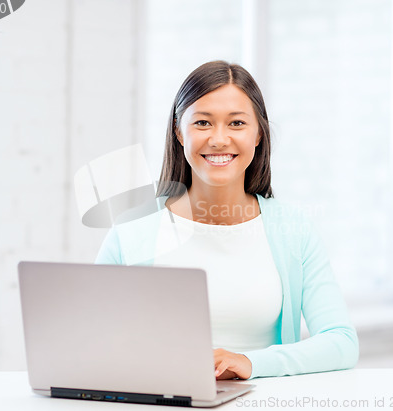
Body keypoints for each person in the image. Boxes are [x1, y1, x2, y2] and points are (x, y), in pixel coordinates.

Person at [95, 60, 359, 379]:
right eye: (203, 123)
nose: (219, 139)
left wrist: (251, 363)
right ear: (179, 131)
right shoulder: (132, 229)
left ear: (259, 133)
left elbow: (341, 342)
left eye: (236, 123)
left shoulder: (294, 231)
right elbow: (92, 338)